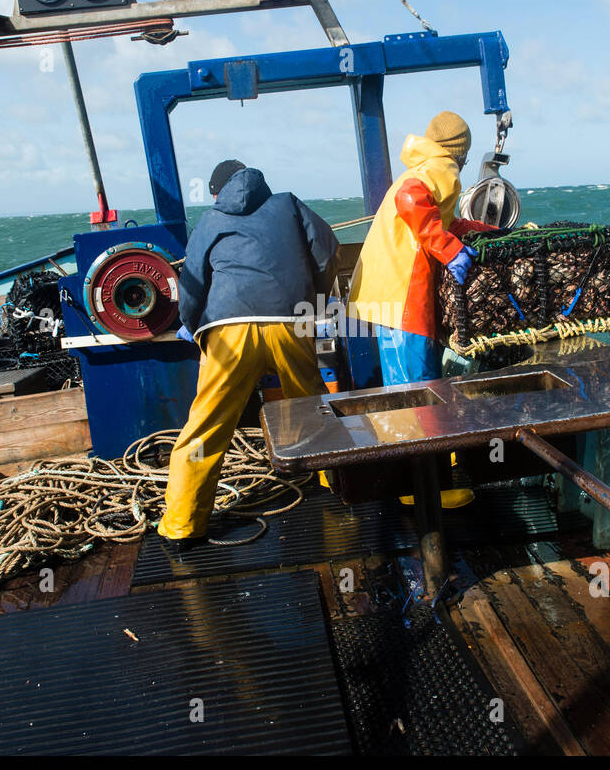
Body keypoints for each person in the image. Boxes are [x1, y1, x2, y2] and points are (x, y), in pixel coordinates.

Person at [159, 160, 339, 552]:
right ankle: (331, 487)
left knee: (208, 423)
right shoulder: (289, 204)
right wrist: (316, 301)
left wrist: (190, 323)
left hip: (228, 331)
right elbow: (326, 253)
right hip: (290, 321)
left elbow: (191, 281)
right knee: (308, 404)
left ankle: (182, 525)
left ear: (217, 192)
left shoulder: (209, 219)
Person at [347, 111, 495, 508]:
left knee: (405, 390)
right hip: (402, 297)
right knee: (419, 391)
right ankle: (424, 487)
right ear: (460, 150)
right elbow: (411, 199)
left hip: (384, 295)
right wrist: (448, 250)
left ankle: (415, 478)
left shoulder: (422, 163)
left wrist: (476, 233)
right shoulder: (440, 166)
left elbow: (435, 217)